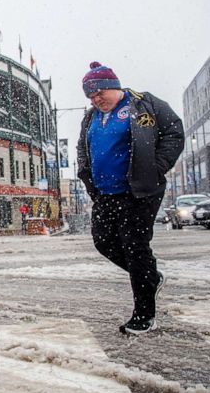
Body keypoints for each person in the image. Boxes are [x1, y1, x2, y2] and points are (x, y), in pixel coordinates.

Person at [76, 62, 184, 335]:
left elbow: (174, 131)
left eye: (100, 93)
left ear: (114, 86)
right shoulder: (90, 117)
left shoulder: (143, 104)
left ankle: (144, 315)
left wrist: (156, 167)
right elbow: (82, 148)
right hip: (104, 194)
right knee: (104, 242)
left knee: (135, 249)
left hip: (137, 192)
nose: (96, 99)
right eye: (91, 96)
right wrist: (87, 178)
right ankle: (151, 277)